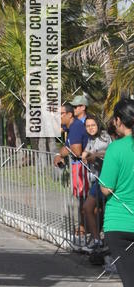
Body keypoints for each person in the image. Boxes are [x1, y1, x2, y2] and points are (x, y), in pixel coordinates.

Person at [99, 97, 134, 287]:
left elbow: (105, 188)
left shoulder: (116, 149)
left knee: (131, 283)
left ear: (119, 121)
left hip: (120, 224)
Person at [55, 102, 89, 239]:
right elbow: (68, 145)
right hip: (78, 167)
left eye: (61, 114)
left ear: (69, 115)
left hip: (83, 168)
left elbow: (76, 150)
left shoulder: (76, 127)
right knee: (80, 199)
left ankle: (84, 229)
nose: (58, 116)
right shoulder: (70, 126)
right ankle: (82, 227)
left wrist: (62, 153)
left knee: (83, 199)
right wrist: (60, 154)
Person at [81, 115, 111, 250]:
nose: (90, 128)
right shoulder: (91, 139)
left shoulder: (104, 136)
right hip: (96, 179)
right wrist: (85, 154)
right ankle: (97, 239)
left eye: (93, 125)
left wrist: (95, 155)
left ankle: (101, 241)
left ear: (98, 125)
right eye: (87, 126)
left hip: (105, 179)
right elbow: (87, 151)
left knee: (89, 207)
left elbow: (107, 152)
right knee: (92, 209)